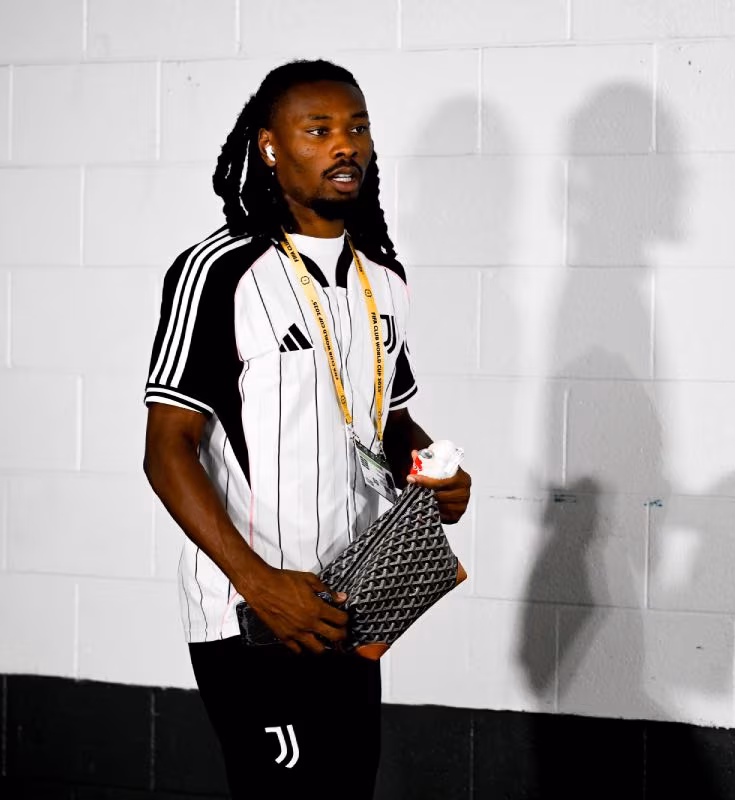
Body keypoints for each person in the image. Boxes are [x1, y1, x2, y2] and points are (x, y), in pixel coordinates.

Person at [142, 59, 472, 797]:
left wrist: (434, 469)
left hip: (355, 603)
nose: (343, 145)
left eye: (356, 127)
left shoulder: (382, 280)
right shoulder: (219, 271)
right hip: (254, 613)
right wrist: (260, 584)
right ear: (269, 146)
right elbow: (166, 452)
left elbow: (386, 419)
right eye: (317, 130)